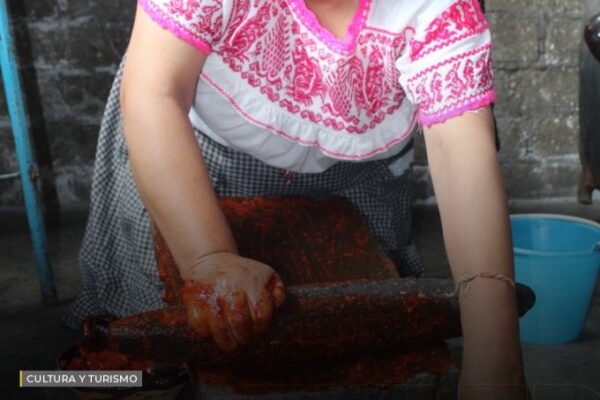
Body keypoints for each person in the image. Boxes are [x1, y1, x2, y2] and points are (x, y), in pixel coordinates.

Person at [63, 0, 527, 398]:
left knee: (352, 337)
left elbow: (462, 157)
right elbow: (154, 93)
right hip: (196, 151)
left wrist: (496, 358)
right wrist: (208, 257)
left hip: (355, 170)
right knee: (168, 330)